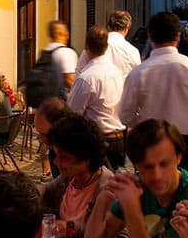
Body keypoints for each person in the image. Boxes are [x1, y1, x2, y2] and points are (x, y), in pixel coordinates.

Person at [85, 119, 188, 238]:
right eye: (147, 166)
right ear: (136, 166)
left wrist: (132, 208)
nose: (157, 175)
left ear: (179, 157)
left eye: (164, 164)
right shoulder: (137, 185)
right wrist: (104, 198)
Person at [118, 12, 188, 171]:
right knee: (184, 189)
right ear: (178, 36)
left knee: (151, 190)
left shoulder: (138, 73)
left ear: (150, 36)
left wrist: (144, 122)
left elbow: (125, 115)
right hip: (186, 143)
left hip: (150, 142)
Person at [40, 113, 124, 238]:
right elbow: (43, 190)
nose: (56, 162)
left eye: (64, 157)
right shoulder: (69, 180)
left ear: (86, 158)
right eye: (56, 155)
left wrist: (72, 229)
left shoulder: (108, 189)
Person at [66, 26, 126, 169]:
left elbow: (73, 114)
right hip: (119, 139)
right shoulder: (116, 72)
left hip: (99, 140)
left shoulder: (87, 78)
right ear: (106, 47)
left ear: (86, 46)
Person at [40, 20, 78, 98]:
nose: (68, 33)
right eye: (66, 31)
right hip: (61, 102)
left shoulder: (44, 51)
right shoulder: (66, 52)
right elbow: (70, 80)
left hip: (45, 100)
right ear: (60, 33)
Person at [35, 97, 69, 179]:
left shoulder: (75, 153)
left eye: (43, 134)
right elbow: (59, 182)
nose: (40, 139)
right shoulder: (54, 148)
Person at [104, 10, 142, 77]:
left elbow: (80, 70)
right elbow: (138, 77)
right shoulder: (132, 51)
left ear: (109, 26)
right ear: (127, 27)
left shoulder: (95, 44)